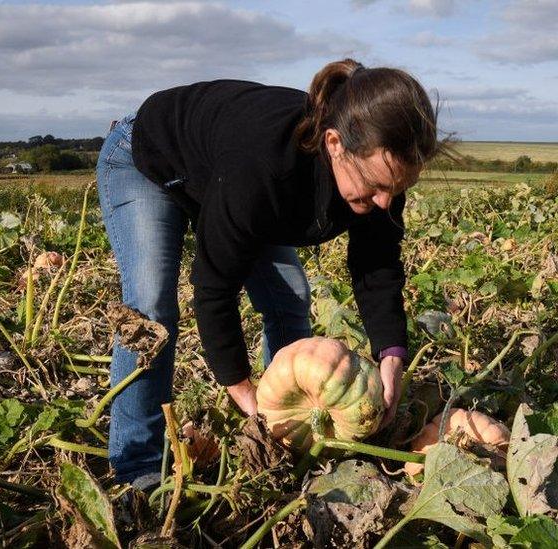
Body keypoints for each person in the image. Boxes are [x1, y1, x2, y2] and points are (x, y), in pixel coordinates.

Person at [95, 58, 440, 490]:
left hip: (223, 178)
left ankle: (291, 439)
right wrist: (244, 394)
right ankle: (137, 466)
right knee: (151, 308)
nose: (387, 201)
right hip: (146, 161)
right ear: (335, 144)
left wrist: (392, 353)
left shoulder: (381, 182)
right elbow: (214, 286)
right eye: (376, 185)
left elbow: (377, 267)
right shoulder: (265, 166)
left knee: (289, 297)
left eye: (398, 187)